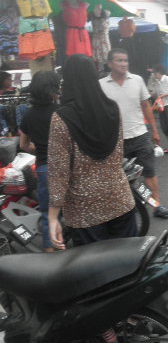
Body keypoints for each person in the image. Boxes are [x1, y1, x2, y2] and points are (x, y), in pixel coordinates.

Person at [47, 54, 137, 248]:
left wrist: (53, 216)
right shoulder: (112, 108)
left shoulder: (61, 118)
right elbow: (118, 152)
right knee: (129, 261)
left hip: (84, 211)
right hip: (120, 199)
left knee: (96, 267)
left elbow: (58, 171)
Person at [99, 48, 168, 218]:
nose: (124, 64)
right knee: (120, 178)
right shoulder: (101, 85)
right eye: (119, 60)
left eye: (125, 60)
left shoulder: (137, 80)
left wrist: (154, 131)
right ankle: (126, 210)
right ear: (110, 64)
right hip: (116, 141)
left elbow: (146, 106)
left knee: (149, 172)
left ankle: (156, 205)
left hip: (140, 135)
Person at [18, 71, 60, 252]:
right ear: (53, 89)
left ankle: (50, 252)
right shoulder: (61, 112)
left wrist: (40, 148)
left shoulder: (28, 115)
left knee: (47, 212)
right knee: (70, 209)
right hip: (64, 166)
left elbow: (23, 145)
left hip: (44, 167)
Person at [149, 64, 168, 154]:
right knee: (164, 127)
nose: (153, 75)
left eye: (154, 73)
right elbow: (155, 94)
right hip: (161, 106)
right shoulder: (156, 82)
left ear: (158, 72)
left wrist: (164, 95)